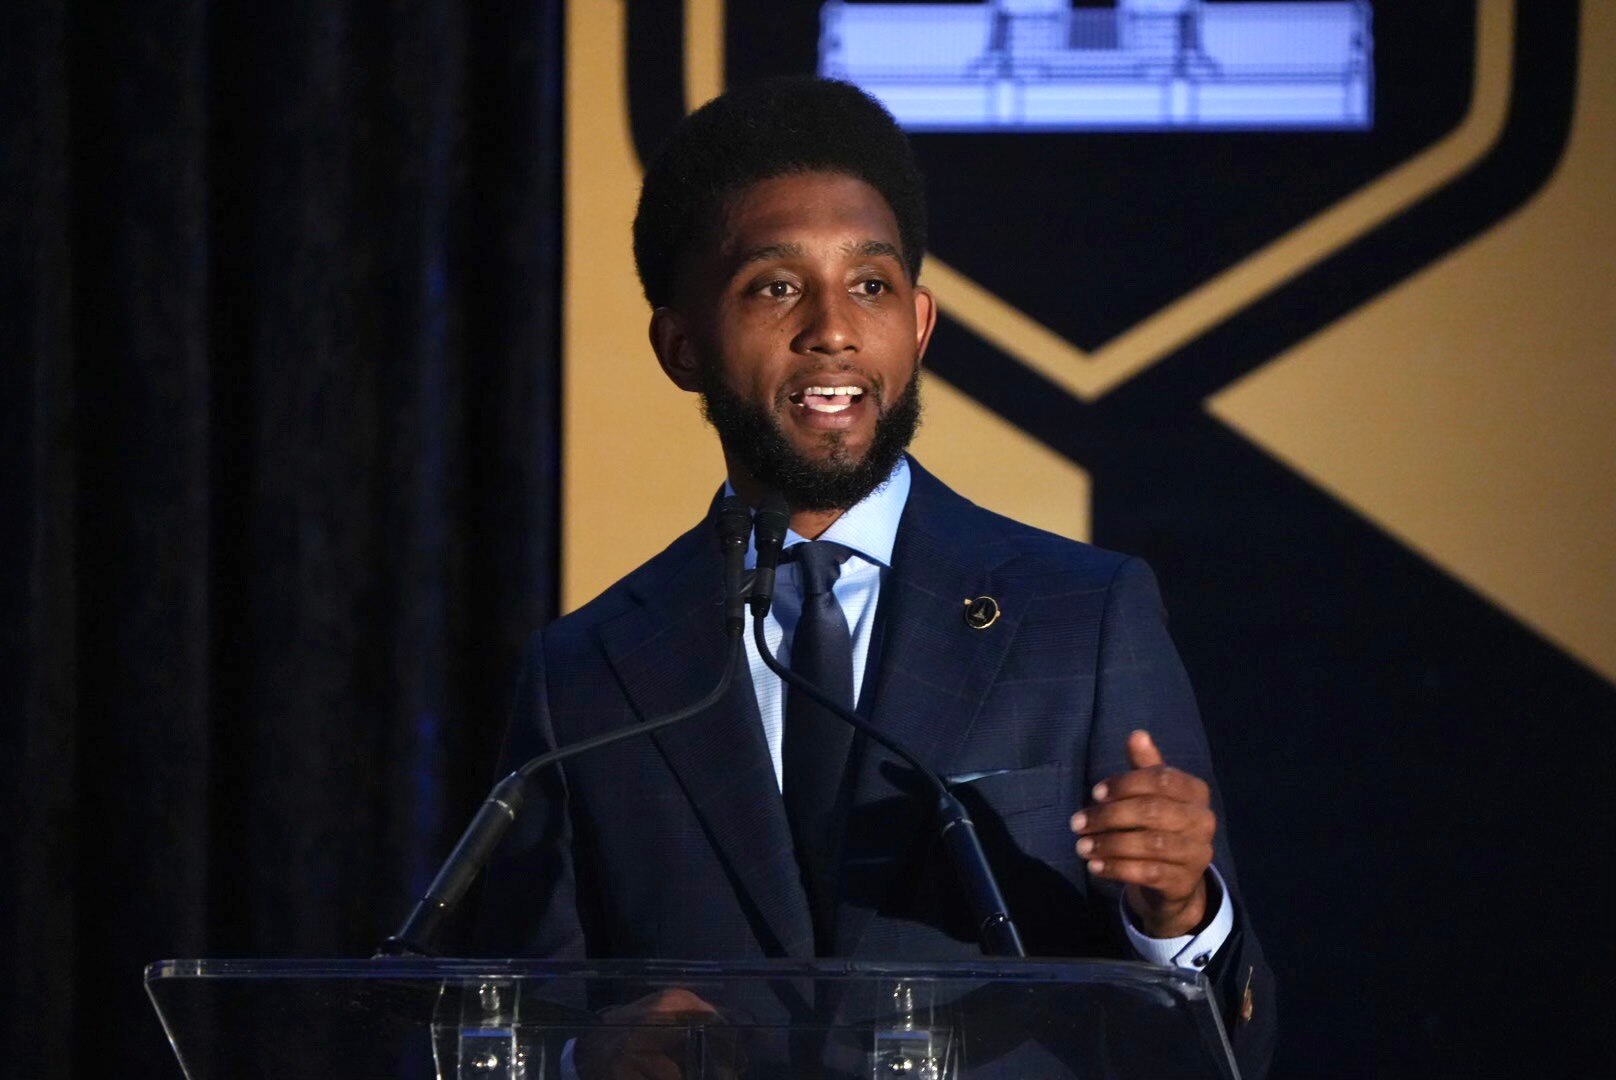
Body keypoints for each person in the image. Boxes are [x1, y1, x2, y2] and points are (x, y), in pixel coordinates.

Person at [479, 76, 1274, 1077]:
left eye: (870, 285)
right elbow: (511, 1018)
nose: (832, 328)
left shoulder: (1082, 615)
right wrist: (586, 1055)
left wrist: (1176, 914)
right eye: (774, 287)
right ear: (679, 346)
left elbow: (1227, 1048)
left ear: (921, 323)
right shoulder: (588, 671)